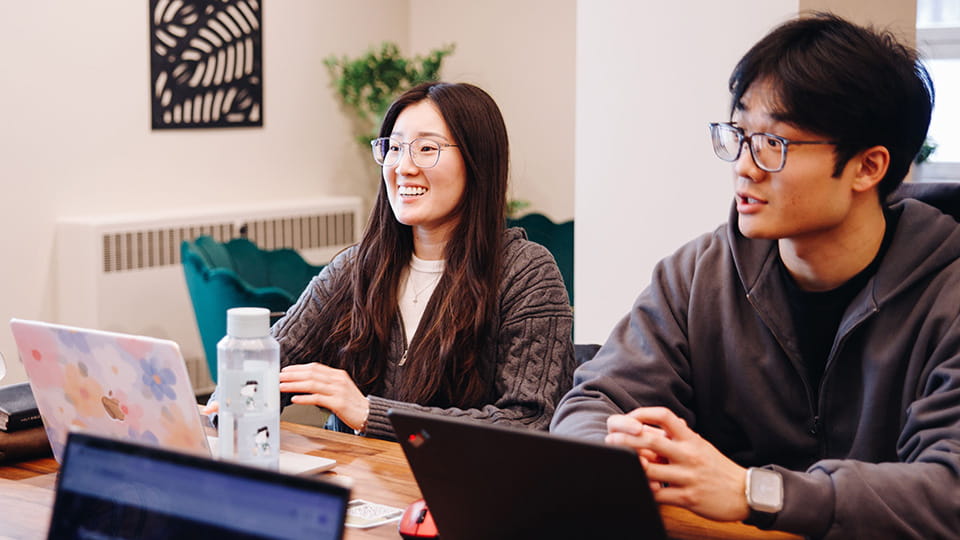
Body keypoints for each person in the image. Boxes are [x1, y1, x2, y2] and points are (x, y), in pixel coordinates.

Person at [551, 13, 960, 539]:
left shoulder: (946, 296)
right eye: (739, 135)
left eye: (773, 143)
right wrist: (618, 455)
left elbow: (948, 491)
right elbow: (593, 403)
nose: (743, 166)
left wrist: (756, 491)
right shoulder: (697, 275)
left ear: (868, 167)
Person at [210, 82, 575, 441]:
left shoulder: (525, 274)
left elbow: (528, 422)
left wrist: (372, 414)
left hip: (457, 481)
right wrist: (228, 405)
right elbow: (265, 362)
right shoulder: (356, 268)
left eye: (426, 148)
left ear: (478, 161)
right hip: (356, 477)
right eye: (395, 148)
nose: (403, 167)